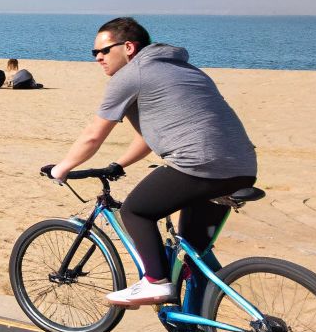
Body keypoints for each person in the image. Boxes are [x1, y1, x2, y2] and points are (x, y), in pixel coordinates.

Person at [47, 17, 258, 307]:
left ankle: (155, 282)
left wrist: (63, 167)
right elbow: (149, 138)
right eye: (93, 53)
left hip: (199, 165)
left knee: (136, 211)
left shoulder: (132, 74)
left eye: (103, 51)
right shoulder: (181, 69)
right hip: (242, 169)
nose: (97, 58)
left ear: (129, 47)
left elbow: (93, 136)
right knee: (194, 247)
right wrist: (119, 165)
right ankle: (203, 320)